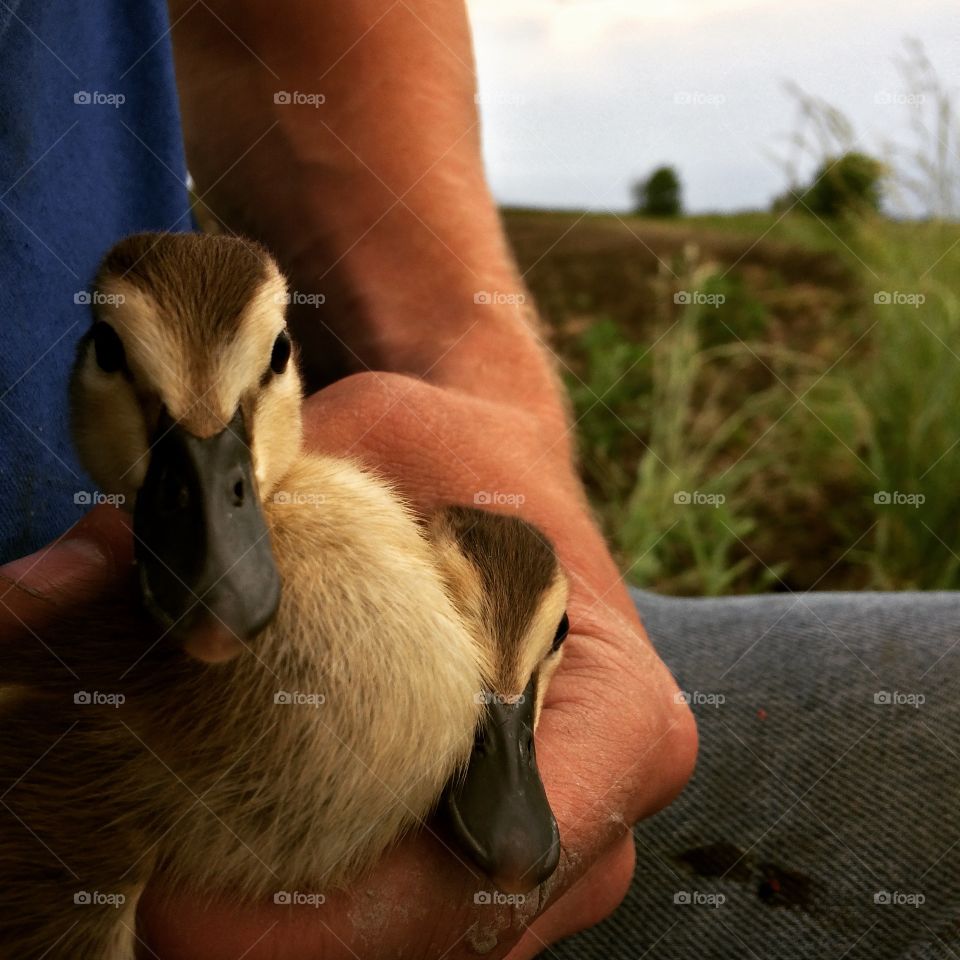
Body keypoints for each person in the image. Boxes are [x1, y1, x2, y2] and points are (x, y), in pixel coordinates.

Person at [0, 1, 697, 956]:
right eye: (130, 367)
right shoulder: (79, 759)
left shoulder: (391, 560)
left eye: (268, 359)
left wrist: (472, 389)